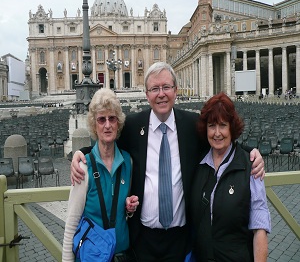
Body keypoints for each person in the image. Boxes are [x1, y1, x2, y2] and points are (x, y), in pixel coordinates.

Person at [70, 62, 265, 262]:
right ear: (147, 94)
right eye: (155, 89)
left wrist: (250, 152)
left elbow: (219, 138)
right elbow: (107, 139)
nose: (161, 94)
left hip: (181, 238)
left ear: (175, 91)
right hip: (143, 239)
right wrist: (82, 152)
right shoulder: (133, 126)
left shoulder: (192, 124)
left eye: (166, 87)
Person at [190, 92, 270, 262]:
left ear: (232, 128)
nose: (217, 133)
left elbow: (260, 227)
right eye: (212, 126)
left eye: (223, 125)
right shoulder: (198, 163)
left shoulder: (251, 166)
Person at [62, 88, 139, 261]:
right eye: (101, 119)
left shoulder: (128, 162)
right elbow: (72, 222)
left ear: (118, 123)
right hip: (93, 256)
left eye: (112, 118)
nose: (107, 125)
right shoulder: (83, 167)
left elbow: (121, 210)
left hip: (122, 255)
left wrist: (128, 208)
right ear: (94, 125)